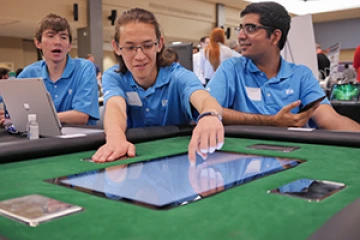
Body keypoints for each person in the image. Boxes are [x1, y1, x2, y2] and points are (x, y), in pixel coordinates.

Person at [91, 8, 224, 164]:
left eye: (147, 46)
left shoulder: (178, 76)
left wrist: (210, 116)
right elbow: (115, 106)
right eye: (130, 47)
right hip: (135, 162)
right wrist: (115, 138)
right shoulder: (113, 76)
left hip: (177, 165)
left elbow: (204, 99)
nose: (139, 56)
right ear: (116, 47)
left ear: (159, 44)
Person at [207, 1, 360, 131]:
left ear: (275, 36)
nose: (240, 36)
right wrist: (271, 121)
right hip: (242, 158)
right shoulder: (232, 68)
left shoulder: (301, 75)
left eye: (251, 28)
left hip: (292, 159)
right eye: (241, 28)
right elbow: (209, 110)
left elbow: (329, 118)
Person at [17, 13, 99, 125]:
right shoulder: (28, 73)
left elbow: (81, 115)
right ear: (38, 43)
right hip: (40, 138)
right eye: (50, 36)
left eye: (63, 37)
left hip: (78, 140)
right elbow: (10, 107)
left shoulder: (84, 68)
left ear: (69, 45)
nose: (57, 42)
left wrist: (33, 118)